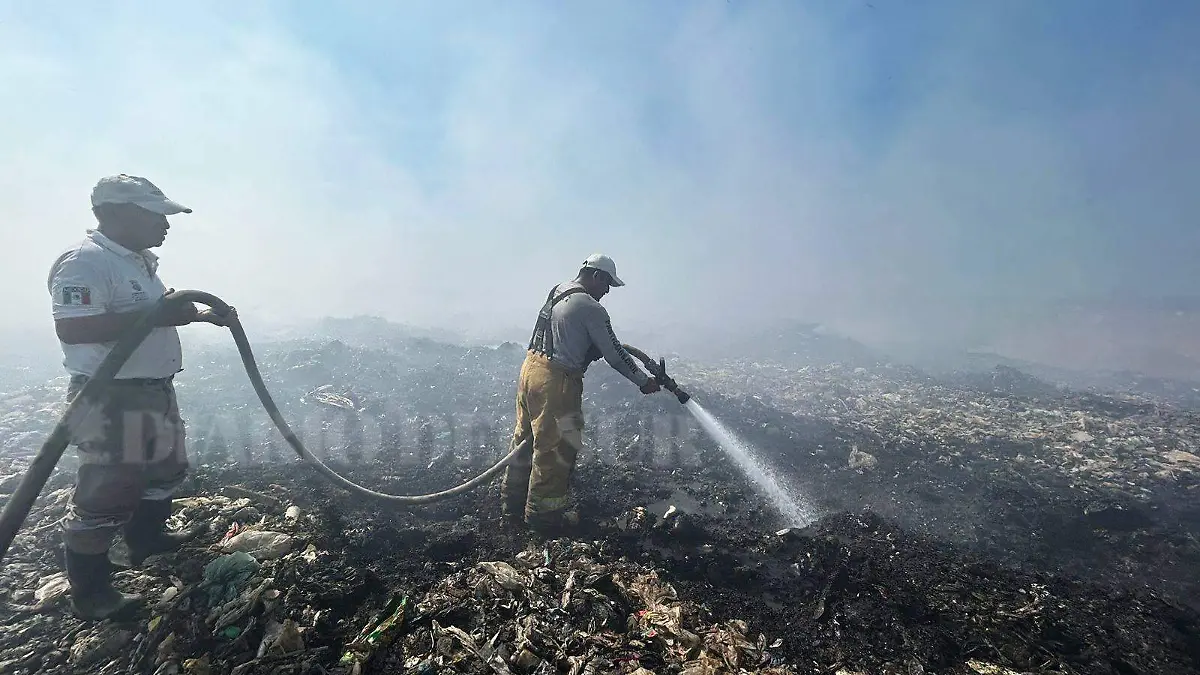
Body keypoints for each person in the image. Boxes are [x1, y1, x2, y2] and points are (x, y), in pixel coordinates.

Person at [46, 174, 234, 620]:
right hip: (111, 397)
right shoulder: (85, 262)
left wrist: (199, 315)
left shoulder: (138, 263)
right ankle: (91, 592)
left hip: (153, 389)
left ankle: (146, 543)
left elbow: (154, 313)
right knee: (108, 490)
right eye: (155, 216)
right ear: (113, 214)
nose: (165, 225)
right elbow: (73, 327)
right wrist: (155, 314)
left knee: (165, 469)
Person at [501, 254, 660, 534]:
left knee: (524, 439)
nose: (607, 291)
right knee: (557, 448)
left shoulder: (560, 289)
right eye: (607, 284)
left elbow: (563, 334)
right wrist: (642, 381)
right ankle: (543, 519)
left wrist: (586, 348)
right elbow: (615, 353)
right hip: (557, 381)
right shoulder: (591, 308)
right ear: (596, 276)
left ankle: (511, 505)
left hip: (530, 372)